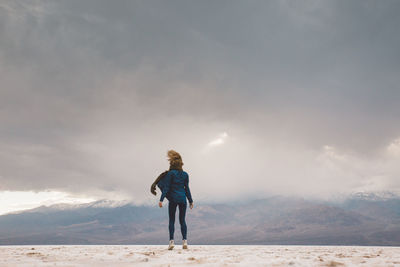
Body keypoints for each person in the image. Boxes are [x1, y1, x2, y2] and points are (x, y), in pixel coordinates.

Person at [150, 150, 194, 250]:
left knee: (172, 220)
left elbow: (166, 187)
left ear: (172, 163)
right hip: (183, 199)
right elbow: (186, 188)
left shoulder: (170, 174)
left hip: (173, 199)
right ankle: (185, 242)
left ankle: (171, 242)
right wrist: (190, 200)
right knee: (182, 220)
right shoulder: (185, 174)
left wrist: (161, 200)